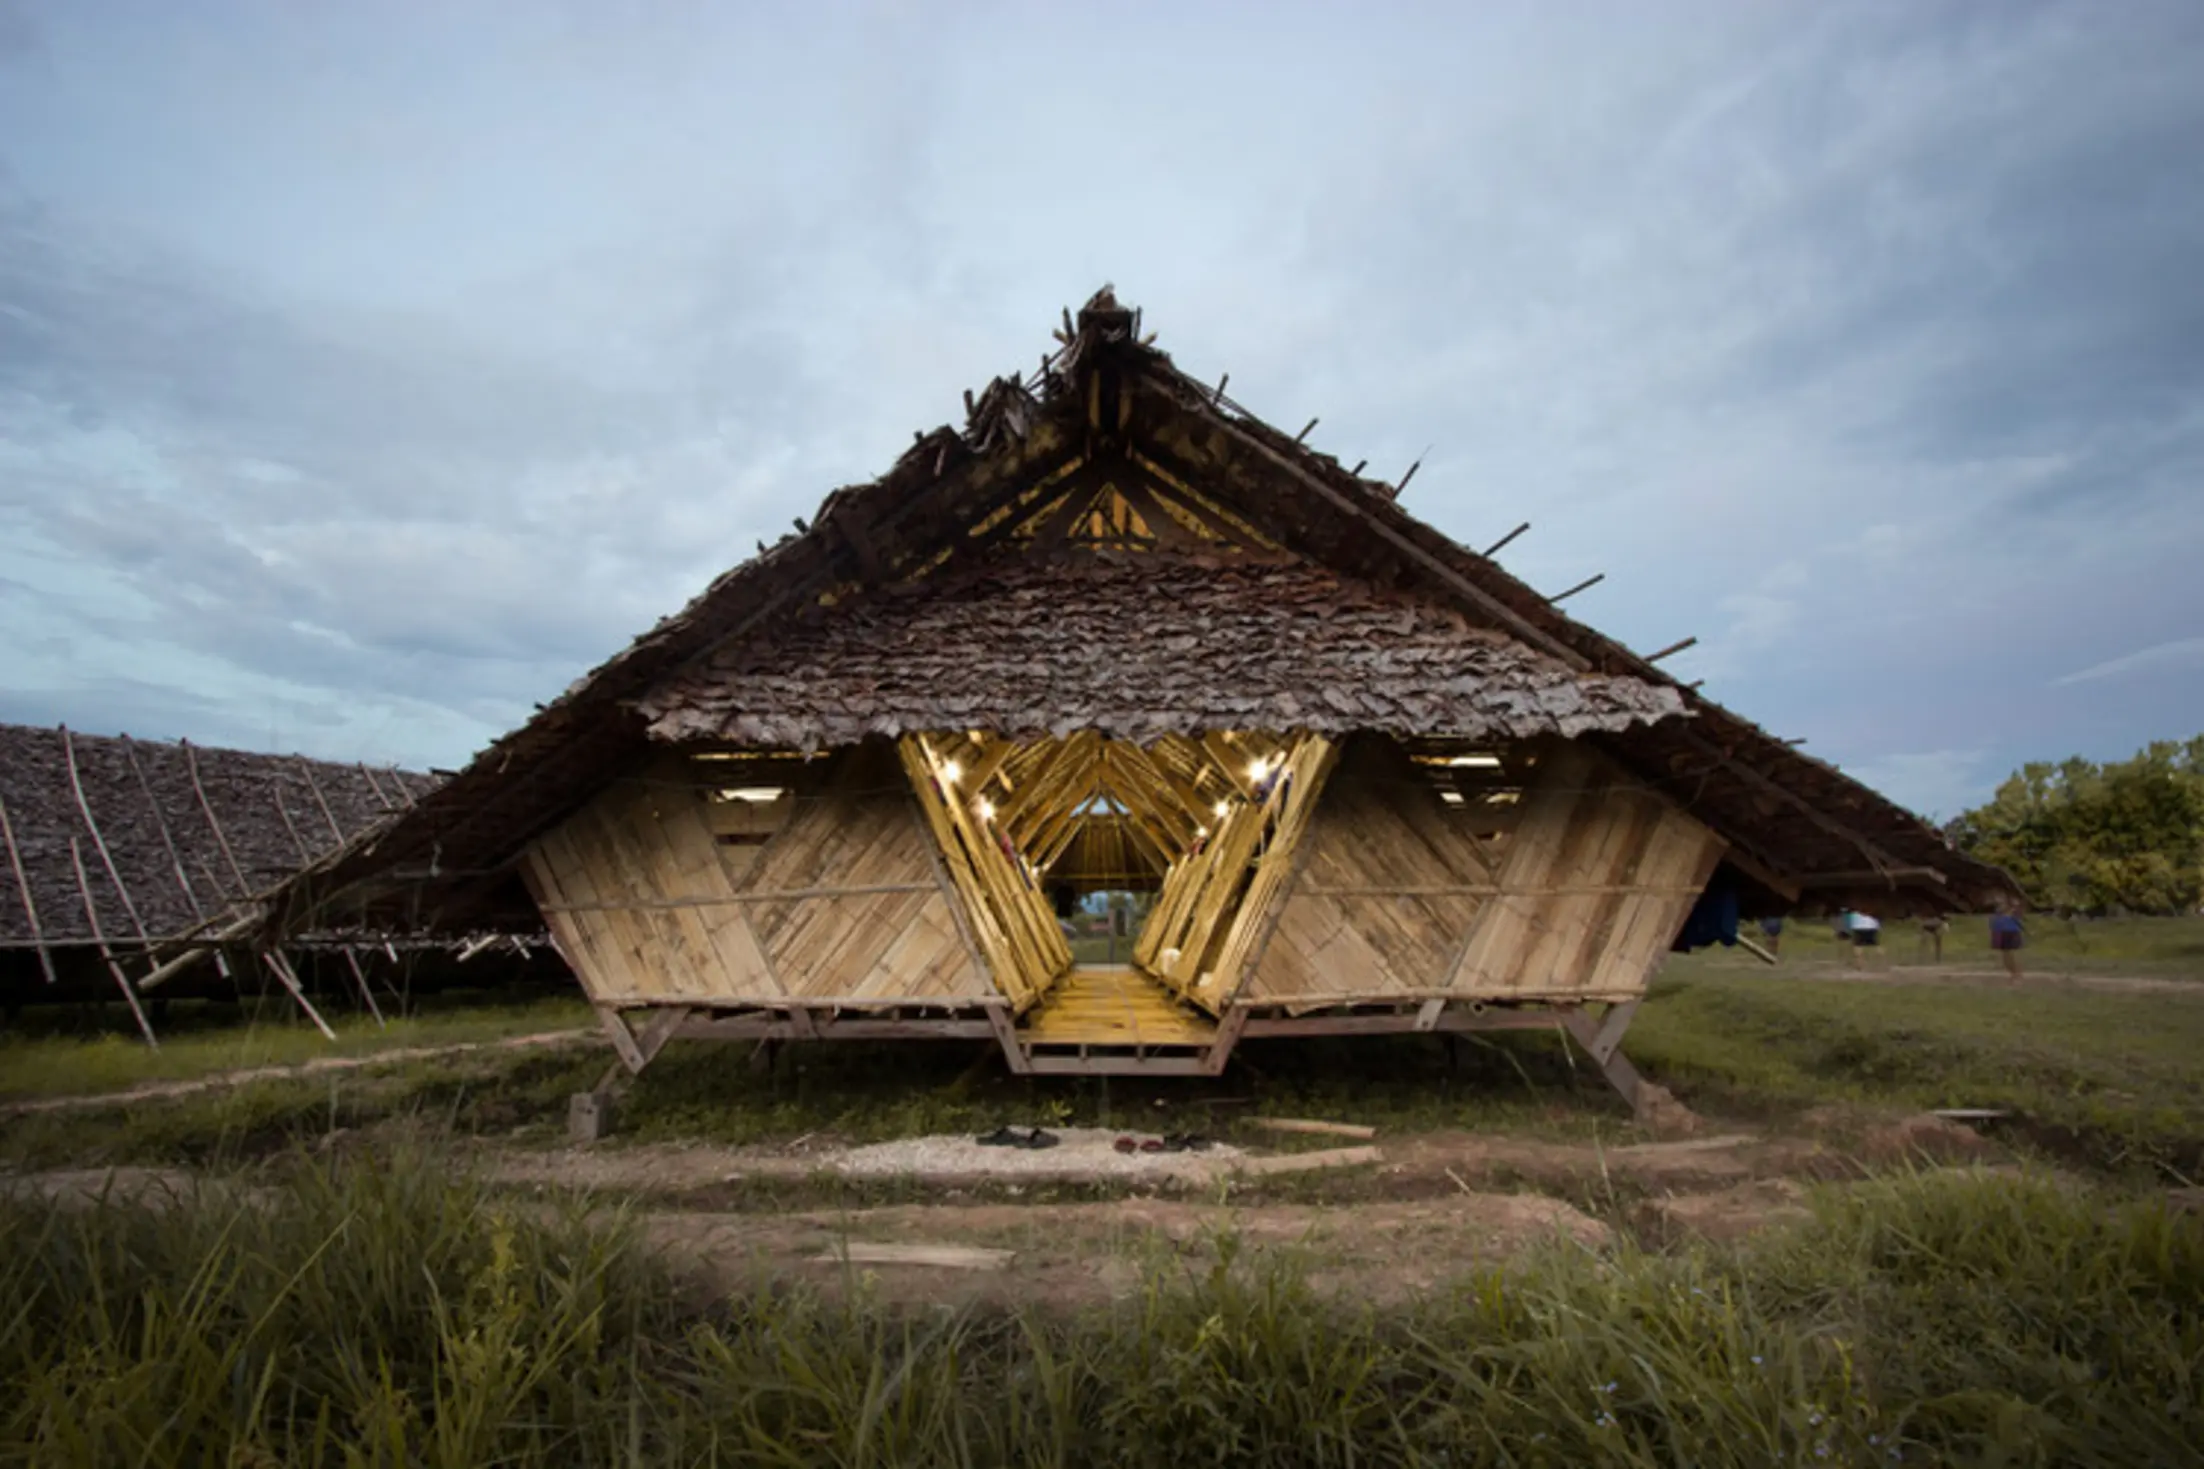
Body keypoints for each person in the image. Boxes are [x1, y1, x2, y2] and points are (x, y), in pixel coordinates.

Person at [1988, 903, 2025, 981]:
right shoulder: (1997, 917)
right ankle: (2013, 972)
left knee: (2011, 953)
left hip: (2010, 933)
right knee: (2006, 954)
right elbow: (1993, 925)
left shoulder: (2012, 916)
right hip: (2003, 933)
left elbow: (2019, 922)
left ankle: (2016, 973)